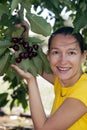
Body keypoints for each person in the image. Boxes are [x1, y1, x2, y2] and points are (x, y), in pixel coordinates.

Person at [11, 26, 87, 130]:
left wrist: (31, 81)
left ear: (83, 56)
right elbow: (34, 63)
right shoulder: (63, 81)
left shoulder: (84, 90)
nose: (63, 60)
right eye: (56, 52)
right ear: (48, 56)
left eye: (71, 53)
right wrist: (24, 35)